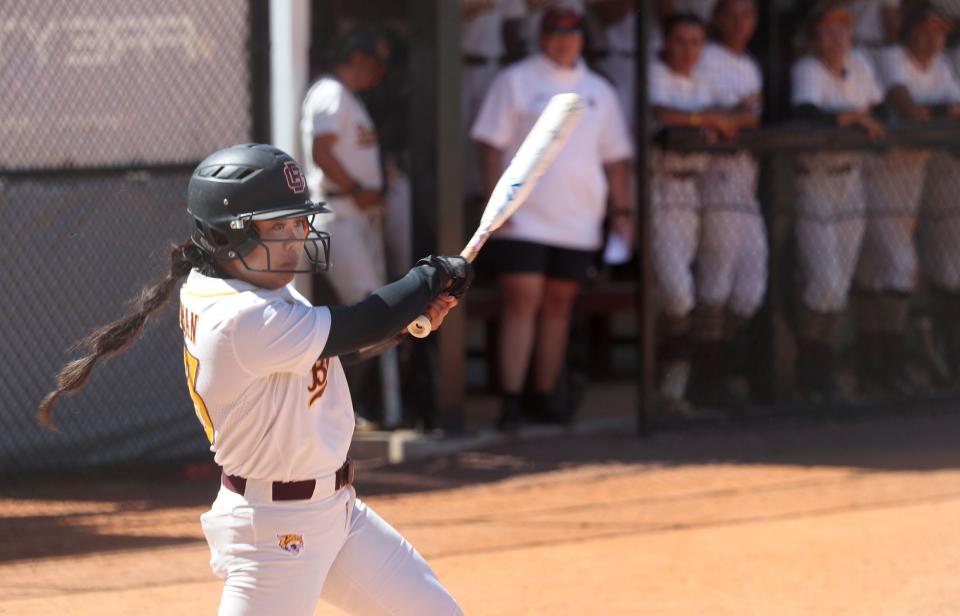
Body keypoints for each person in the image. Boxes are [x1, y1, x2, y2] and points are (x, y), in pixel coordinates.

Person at [37, 144, 470, 615]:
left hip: (337, 513)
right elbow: (356, 325)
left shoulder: (247, 288)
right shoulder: (238, 316)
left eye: (296, 221)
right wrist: (430, 276)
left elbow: (326, 350)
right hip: (276, 532)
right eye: (275, 226)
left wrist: (404, 325)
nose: (294, 237)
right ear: (225, 235)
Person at [471, 7, 633, 431]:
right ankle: (511, 399)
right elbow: (490, 147)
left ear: (583, 38)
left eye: (572, 33)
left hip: (579, 219)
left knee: (559, 305)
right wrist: (496, 208)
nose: (564, 41)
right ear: (541, 37)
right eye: (556, 33)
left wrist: (622, 212)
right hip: (523, 219)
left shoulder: (600, 89)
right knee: (522, 300)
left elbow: (616, 160)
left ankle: (544, 395)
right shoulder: (516, 80)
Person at [648, 13, 754, 416]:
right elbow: (663, 113)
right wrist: (706, 119)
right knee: (677, 294)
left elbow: (744, 118)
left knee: (688, 295)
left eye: (695, 42)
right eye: (680, 41)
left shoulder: (702, 83)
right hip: (659, 191)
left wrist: (723, 116)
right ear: (666, 44)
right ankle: (666, 385)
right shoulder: (655, 74)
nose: (688, 50)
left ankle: (676, 386)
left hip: (692, 192)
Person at [856, 3, 960, 394]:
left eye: (940, 33)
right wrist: (940, 112)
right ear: (909, 31)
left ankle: (877, 369)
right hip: (878, 172)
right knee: (897, 267)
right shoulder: (890, 58)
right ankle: (887, 366)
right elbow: (907, 109)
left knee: (878, 270)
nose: (933, 40)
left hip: (912, 175)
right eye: (926, 31)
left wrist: (938, 113)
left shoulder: (940, 66)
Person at [301, 25, 400, 427]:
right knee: (368, 313)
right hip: (336, 213)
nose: (377, 74)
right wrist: (358, 188)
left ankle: (346, 408)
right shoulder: (330, 92)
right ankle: (336, 409)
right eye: (374, 66)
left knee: (372, 315)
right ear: (357, 59)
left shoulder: (347, 98)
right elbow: (321, 153)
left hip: (353, 214)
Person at [790, 6, 885, 403]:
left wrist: (857, 118)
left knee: (839, 287)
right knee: (824, 284)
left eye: (843, 31)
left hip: (853, 182)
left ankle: (820, 372)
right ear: (815, 38)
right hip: (816, 183)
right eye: (828, 31)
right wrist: (852, 119)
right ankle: (808, 369)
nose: (837, 38)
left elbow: (878, 109)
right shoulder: (807, 70)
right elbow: (808, 114)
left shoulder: (860, 63)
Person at [690, 0, 767, 407]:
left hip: (746, 180)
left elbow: (744, 119)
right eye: (732, 14)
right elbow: (705, 116)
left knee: (751, 290)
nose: (740, 23)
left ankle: (713, 363)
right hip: (715, 178)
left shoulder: (750, 63)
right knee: (715, 282)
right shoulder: (706, 58)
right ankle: (706, 379)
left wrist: (735, 117)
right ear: (718, 18)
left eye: (748, 15)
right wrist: (734, 115)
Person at [918, 8, 960, 381]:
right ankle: (947, 355)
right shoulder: (951, 62)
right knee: (948, 270)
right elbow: (946, 113)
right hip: (945, 171)